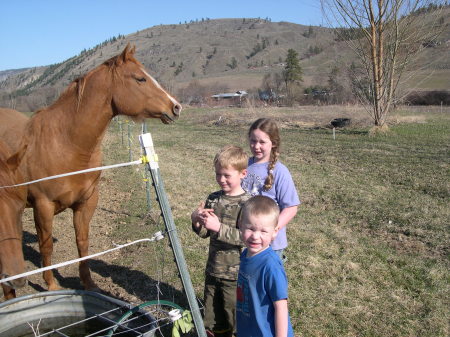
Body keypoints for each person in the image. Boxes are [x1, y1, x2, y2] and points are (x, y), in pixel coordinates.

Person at [191, 145, 251, 337]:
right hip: (212, 269)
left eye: (226, 175)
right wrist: (197, 221)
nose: (221, 179)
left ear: (243, 173)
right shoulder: (214, 199)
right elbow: (206, 234)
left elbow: (247, 238)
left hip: (234, 275)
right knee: (212, 316)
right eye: (218, 174)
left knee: (232, 314)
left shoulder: (247, 203)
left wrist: (220, 228)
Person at [241, 118, 300, 262]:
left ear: (273, 143)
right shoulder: (244, 165)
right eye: (253, 141)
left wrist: (273, 230)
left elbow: (291, 208)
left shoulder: (280, 172)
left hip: (271, 245)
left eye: (262, 142)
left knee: (267, 282)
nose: (256, 146)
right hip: (248, 239)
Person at [236, 195, 294, 337]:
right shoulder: (245, 255)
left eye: (263, 231)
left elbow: (281, 307)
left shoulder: (271, 267)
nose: (255, 236)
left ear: (274, 232)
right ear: (240, 225)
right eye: (250, 228)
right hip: (248, 329)